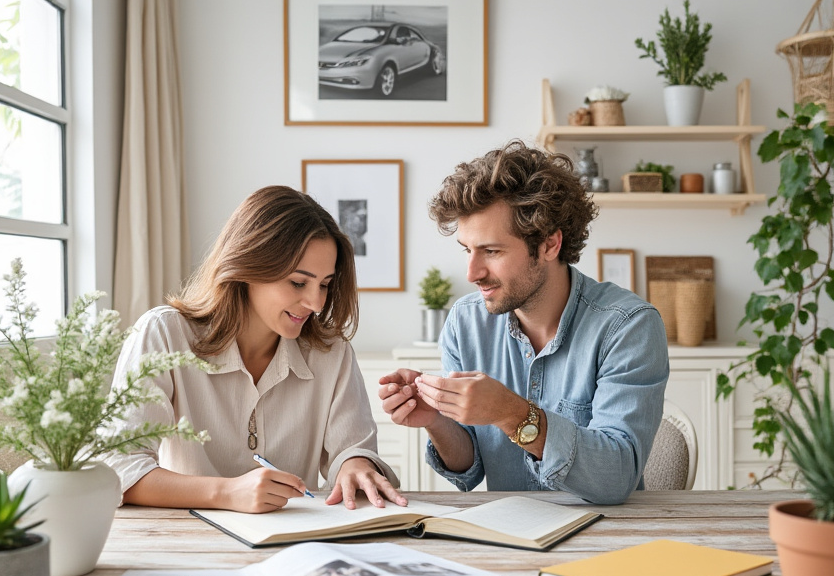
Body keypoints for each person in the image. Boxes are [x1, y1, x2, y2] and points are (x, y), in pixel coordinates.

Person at [379, 141, 669, 504]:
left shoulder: (628, 327)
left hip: (605, 539)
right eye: (467, 250)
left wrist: (511, 412)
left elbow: (616, 476)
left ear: (549, 245)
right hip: (505, 540)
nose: (472, 272)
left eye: (492, 251)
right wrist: (436, 419)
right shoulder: (465, 323)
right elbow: (470, 466)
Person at [105, 185, 406, 514]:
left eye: (324, 284)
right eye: (298, 282)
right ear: (249, 267)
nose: (317, 303)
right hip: (187, 542)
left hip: (294, 545)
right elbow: (119, 468)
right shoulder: (163, 334)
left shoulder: (331, 353)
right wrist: (226, 492)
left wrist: (355, 465)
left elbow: (352, 448)